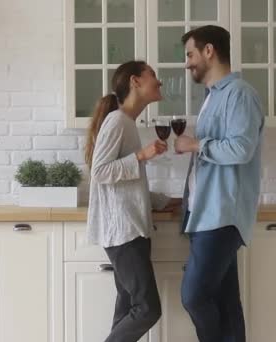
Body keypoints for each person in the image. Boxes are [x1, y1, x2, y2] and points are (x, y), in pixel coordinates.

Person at [174, 25, 264, 342]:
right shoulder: (213, 97)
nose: (187, 63)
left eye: (190, 54)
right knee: (227, 304)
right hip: (207, 213)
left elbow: (241, 149)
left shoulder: (240, 94)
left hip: (222, 214)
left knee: (194, 296)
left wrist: (195, 145)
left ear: (209, 51)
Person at [85, 60, 182, 342]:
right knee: (147, 309)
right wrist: (141, 156)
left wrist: (163, 201)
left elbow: (128, 183)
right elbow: (100, 172)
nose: (159, 81)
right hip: (123, 232)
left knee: (128, 305)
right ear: (135, 82)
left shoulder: (126, 122)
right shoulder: (117, 121)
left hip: (130, 228)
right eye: (153, 75)